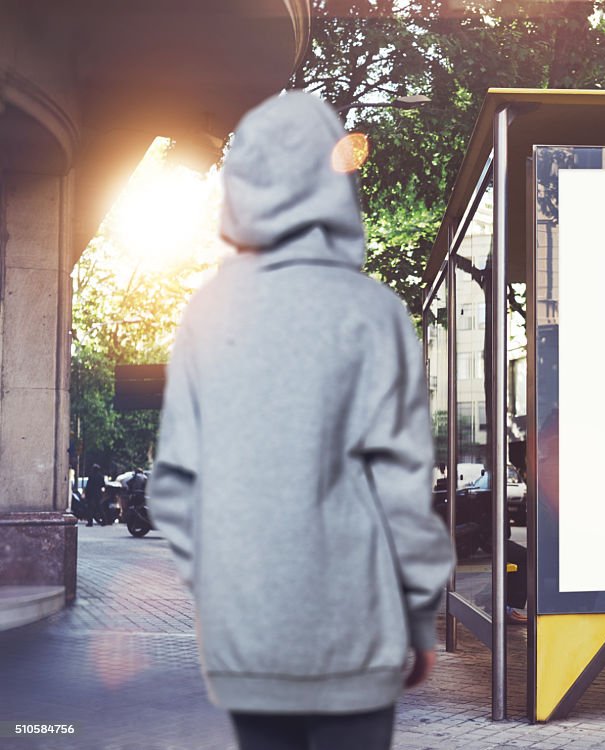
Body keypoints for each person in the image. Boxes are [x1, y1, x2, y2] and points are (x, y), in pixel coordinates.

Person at [148, 90, 454, 750]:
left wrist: (222, 590)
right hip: (358, 635)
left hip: (246, 639)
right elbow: (403, 487)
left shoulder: (207, 312)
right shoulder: (374, 314)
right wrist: (418, 616)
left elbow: (174, 484)